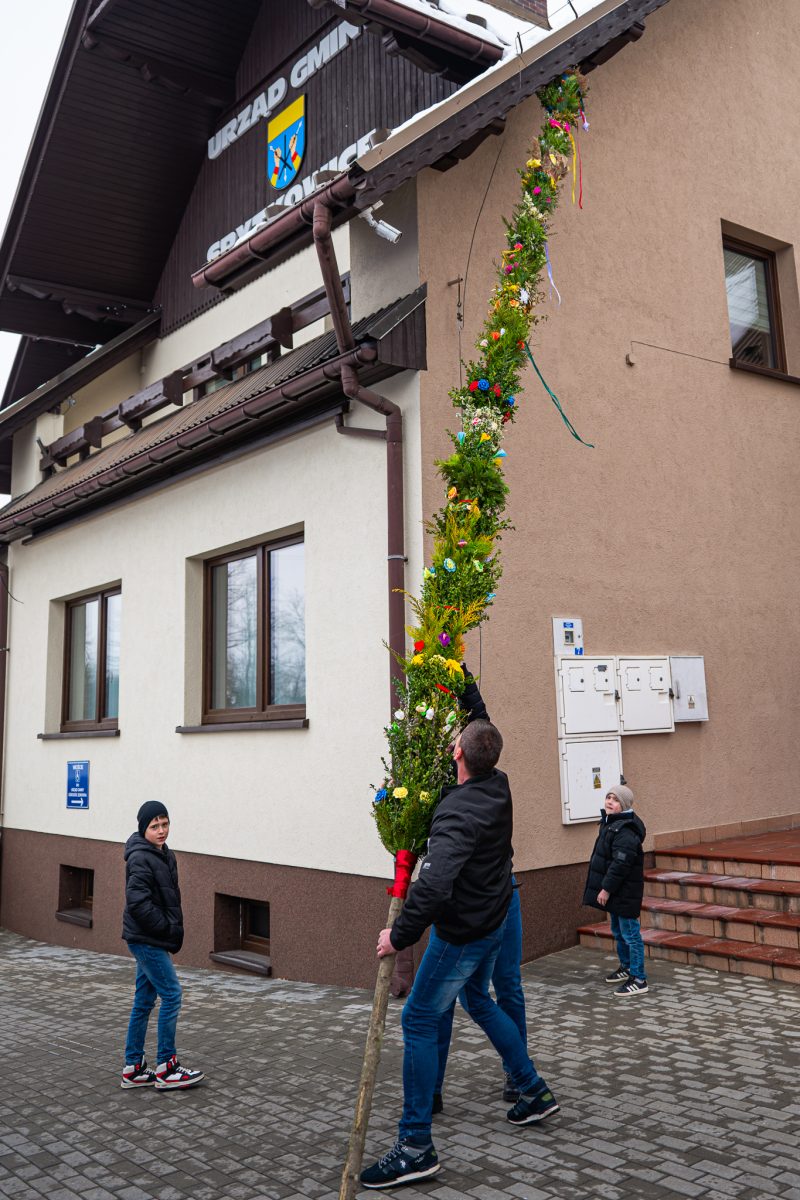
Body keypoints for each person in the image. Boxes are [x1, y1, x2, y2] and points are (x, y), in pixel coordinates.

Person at [360, 721, 558, 1191]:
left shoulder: (457, 815)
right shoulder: (499, 785)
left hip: (463, 935)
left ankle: (415, 1146)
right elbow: (482, 737)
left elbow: (433, 888)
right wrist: (465, 692)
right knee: (478, 999)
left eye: (455, 743)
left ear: (457, 754)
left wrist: (398, 936)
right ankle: (532, 1089)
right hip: (493, 921)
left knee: (417, 1018)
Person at [432, 670, 528, 1110]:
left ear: (459, 752)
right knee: (496, 989)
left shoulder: (471, 782)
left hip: (476, 903)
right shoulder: (497, 779)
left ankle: (516, 1076)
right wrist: (459, 676)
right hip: (499, 896)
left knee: (457, 997)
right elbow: (480, 721)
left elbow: (479, 724)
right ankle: (519, 1077)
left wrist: (456, 673)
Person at [121, 801, 204, 1090]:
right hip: (147, 940)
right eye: (154, 826)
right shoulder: (140, 858)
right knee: (172, 995)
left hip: (150, 938)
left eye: (164, 824)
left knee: (144, 1002)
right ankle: (167, 1067)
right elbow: (138, 903)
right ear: (143, 828)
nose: (161, 830)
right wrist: (166, 928)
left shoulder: (164, 854)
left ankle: (133, 1069)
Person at [582, 784, 648, 997]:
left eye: (615, 799)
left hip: (624, 892)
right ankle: (626, 967)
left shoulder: (625, 831)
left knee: (630, 935)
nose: (610, 801)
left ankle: (639, 978)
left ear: (625, 805)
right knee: (619, 932)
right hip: (619, 892)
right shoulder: (612, 823)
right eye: (608, 797)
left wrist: (606, 889)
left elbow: (620, 865)